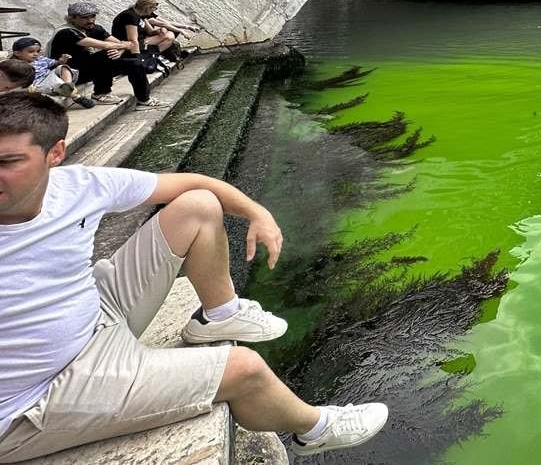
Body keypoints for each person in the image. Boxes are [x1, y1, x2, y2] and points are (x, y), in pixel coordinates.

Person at [0, 93, 389, 461]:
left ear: (55, 154)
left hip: (93, 316)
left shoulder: (79, 185)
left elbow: (195, 183)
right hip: (38, 396)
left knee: (198, 206)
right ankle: (313, 429)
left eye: (8, 161)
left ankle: (219, 314)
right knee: (245, 368)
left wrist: (258, 213)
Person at [49, 2, 163, 109]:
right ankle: (100, 94)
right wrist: (120, 46)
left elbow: (122, 44)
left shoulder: (95, 28)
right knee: (106, 54)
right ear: (73, 18)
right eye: (84, 17)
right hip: (69, 72)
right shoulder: (67, 32)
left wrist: (120, 49)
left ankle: (144, 100)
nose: (90, 20)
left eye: (92, 16)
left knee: (135, 63)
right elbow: (106, 45)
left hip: (90, 68)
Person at [8, 37, 96, 108]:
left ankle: (68, 85)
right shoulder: (15, 64)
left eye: (37, 51)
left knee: (62, 68)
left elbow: (56, 63)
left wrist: (62, 61)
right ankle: (76, 96)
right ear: (17, 53)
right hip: (38, 83)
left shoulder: (41, 59)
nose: (35, 54)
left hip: (49, 75)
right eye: (31, 52)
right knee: (54, 82)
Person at [113, 0, 198, 68]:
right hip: (130, 45)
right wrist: (137, 59)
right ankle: (149, 57)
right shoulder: (130, 16)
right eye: (154, 8)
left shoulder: (141, 16)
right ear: (147, 7)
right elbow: (132, 39)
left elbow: (151, 31)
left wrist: (158, 31)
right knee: (168, 36)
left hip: (141, 41)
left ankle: (154, 55)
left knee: (169, 35)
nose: (155, 10)